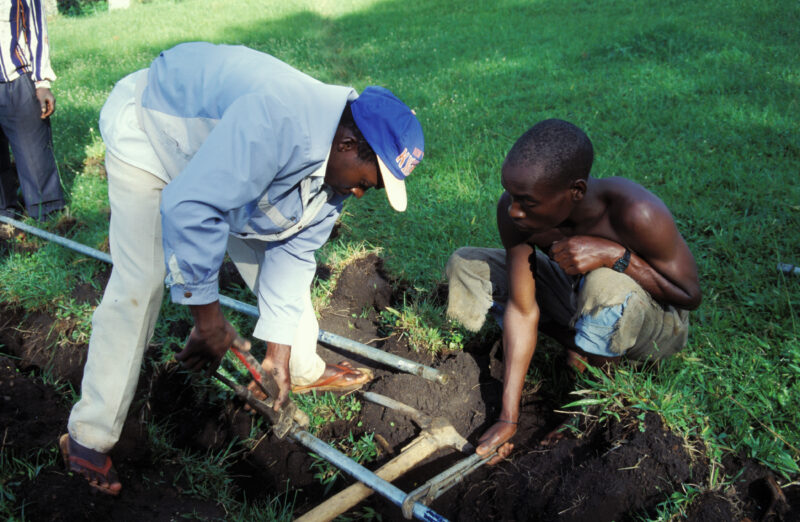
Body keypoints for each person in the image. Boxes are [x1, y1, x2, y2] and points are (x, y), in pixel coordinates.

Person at [59, 42, 424, 495]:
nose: (360, 195)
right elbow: (191, 205)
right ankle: (88, 436)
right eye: (367, 183)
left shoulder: (333, 167)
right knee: (141, 282)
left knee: (276, 252)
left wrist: (279, 352)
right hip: (153, 131)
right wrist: (207, 319)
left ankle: (299, 370)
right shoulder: (277, 123)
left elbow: (293, 255)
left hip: (227, 161)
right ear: (348, 144)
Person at [445, 119, 700, 464]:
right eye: (511, 194)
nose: (513, 210)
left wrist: (616, 257)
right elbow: (523, 308)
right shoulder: (515, 214)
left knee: (603, 283)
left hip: (657, 326)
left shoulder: (636, 212)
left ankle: (594, 404)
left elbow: (688, 296)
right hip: (580, 298)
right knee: (468, 264)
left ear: (576, 191)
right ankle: (585, 343)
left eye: (528, 202)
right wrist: (508, 416)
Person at [0, 0, 64, 221]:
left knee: (34, 158)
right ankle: (6, 217)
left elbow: (37, 28)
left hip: (15, 80)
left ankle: (48, 219)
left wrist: (42, 82)